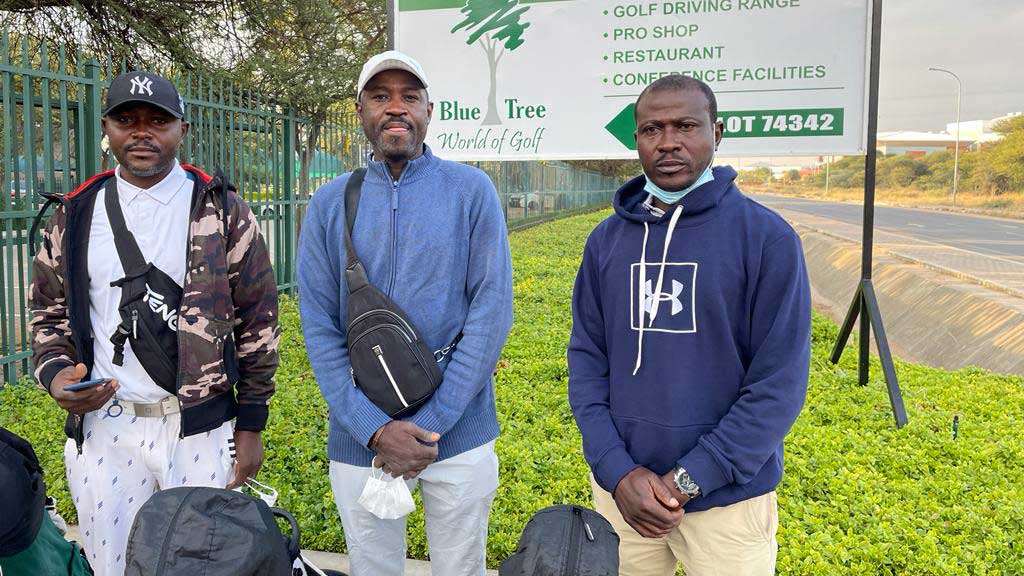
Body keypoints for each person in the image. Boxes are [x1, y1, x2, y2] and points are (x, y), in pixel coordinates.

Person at [29, 70, 280, 576]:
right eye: (127, 119)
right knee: (112, 565)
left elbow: (259, 316)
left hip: (199, 428)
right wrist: (56, 376)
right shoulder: (76, 214)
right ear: (107, 129)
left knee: (200, 566)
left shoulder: (220, 209)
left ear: (181, 130)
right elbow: (47, 312)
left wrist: (251, 423)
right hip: (108, 426)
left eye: (157, 121)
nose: (141, 132)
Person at [567, 74, 811, 576]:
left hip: (729, 504)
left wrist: (688, 479)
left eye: (685, 126)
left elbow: (778, 386)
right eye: (652, 129)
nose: (668, 142)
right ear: (637, 139)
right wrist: (617, 471)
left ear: (716, 133)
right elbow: (587, 363)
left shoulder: (767, 239)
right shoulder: (606, 243)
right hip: (623, 498)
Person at [296, 50, 513, 576]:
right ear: (360, 111)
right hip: (361, 442)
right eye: (380, 96)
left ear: (428, 110)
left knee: (460, 567)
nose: (396, 107)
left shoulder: (471, 191)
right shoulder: (328, 203)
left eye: (409, 96)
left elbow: (490, 314)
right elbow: (320, 327)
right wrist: (373, 429)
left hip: (458, 436)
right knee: (373, 568)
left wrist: (432, 424)